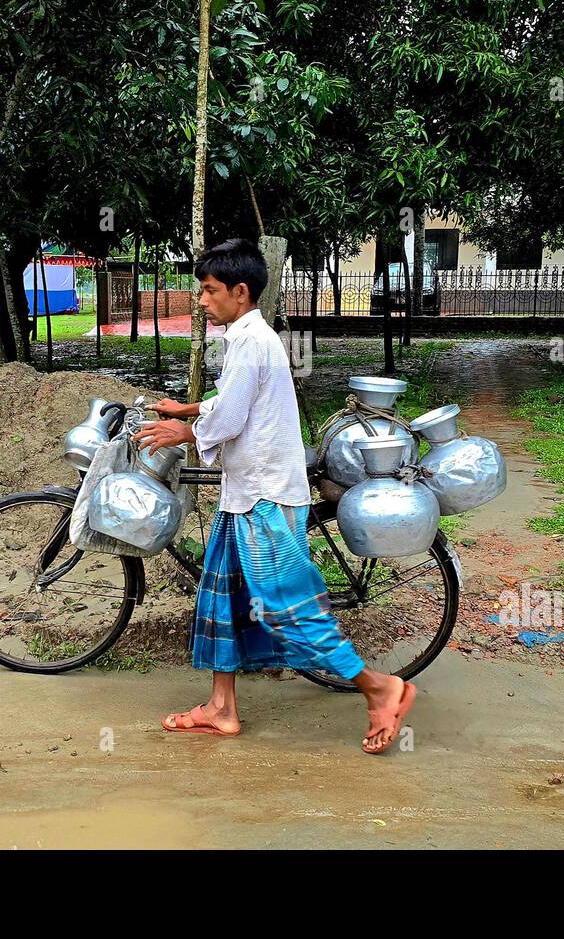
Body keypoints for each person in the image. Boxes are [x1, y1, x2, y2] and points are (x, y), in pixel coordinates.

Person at [132, 238, 416, 755]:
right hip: (245, 492)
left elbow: (234, 417)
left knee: (287, 608)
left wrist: (185, 432)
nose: (201, 301)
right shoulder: (249, 336)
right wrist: (190, 407)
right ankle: (221, 709)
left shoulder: (250, 341)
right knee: (220, 597)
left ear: (240, 292)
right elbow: (236, 399)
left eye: (209, 290)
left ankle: (380, 686)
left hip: (264, 497)